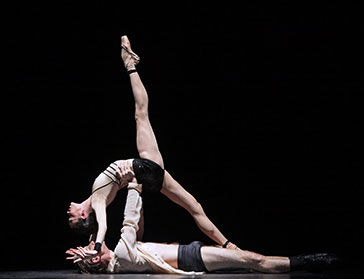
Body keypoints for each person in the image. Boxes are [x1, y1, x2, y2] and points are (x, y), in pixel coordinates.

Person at [67, 35, 238, 254]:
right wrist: (98, 243)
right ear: (83, 214)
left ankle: (230, 246)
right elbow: (103, 225)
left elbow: (94, 228)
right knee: (141, 114)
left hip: (150, 176)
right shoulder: (98, 200)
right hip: (143, 167)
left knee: (194, 206)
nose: (68, 212)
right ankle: (129, 66)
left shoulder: (96, 198)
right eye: (71, 217)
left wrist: (91, 244)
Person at [66, 184, 338, 274]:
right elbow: (130, 221)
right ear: (97, 261)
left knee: (249, 261)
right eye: (91, 249)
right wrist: (135, 184)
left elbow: (136, 228)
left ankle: (306, 262)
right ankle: (308, 261)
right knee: (252, 260)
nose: (93, 245)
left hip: (189, 253)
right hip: (191, 257)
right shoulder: (122, 258)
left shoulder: (124, 258)